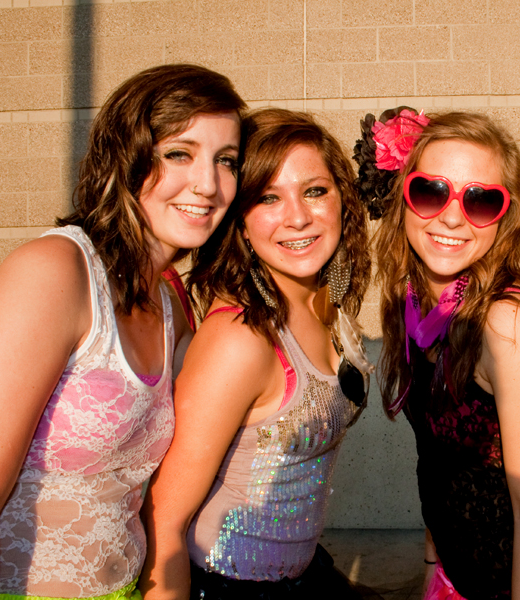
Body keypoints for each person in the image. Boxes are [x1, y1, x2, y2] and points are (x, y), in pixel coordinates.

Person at [0, 64, 244, 600]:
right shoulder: (55, 271)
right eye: (179, 153)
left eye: (226, 161)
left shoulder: (171, 301)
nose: (209, 184)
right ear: (126, 156)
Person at [358, 108, 520, 600]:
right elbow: (435, 460)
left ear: (503, 219)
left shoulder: (503, 324)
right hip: (455, 575)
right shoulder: (412, 302)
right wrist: (432, 565)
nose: (451, 216)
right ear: (403, 195)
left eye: (480, 201)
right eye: (431, 191)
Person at [139, 108, 372, 600]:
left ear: (342, 201)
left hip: (304, 576)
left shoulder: (329, 302)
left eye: (314, 190)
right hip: (228, 588)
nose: (298, 216)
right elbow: (163, 517)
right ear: (240, 222)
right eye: (268, 197)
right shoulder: (240, 339)